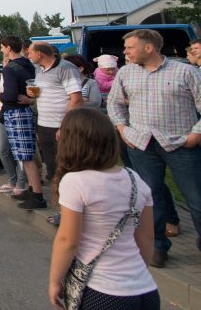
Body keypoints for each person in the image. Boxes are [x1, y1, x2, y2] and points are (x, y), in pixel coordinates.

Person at [107, 29, 201, 268]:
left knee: (196, 197)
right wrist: (122, 129)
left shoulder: (185, 71)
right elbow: (114, 103)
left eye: (129, 47)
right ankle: (158, 246)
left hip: (180, 144)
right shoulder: (126, 73)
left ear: (149, 47)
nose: (125, 51)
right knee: (151, 197)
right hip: (141, 144)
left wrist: (195, 134)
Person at [48, 108, 159, 310]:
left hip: (102, 291)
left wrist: (55, 281)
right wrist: (134, 275)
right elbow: (146, 238)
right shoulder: (135, 179)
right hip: (145, 289)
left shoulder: (75, 182)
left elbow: (68, 241)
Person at [26, 42, 83, 184]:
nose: (28, 55)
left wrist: (64, 127)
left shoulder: (66, 68)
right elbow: (45, 93)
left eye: (30, 53)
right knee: (52, 167)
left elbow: (76, 100)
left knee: (66, 166)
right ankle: (59, 199)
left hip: (61, 126)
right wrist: (32, 95)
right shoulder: (39, 69)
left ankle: (71, 200)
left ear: (40, 54)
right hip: (44, 123)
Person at [0, 37, 42, 206]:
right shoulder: (29, 64)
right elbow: (33, 89)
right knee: (26, 156)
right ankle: (32, 190)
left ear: (9, 48)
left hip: (15, 113)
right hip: (26, 110)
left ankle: (36, 195)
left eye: (2, 47)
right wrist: (31, 100)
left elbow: (9, 95)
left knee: (25, 156)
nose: (1, 50)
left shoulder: (10, 69)